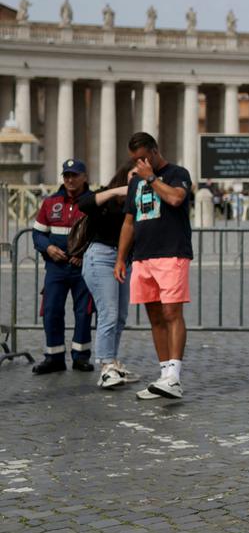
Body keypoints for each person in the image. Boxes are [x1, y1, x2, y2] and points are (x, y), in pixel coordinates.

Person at [114, 133, 194, 400]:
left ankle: (175, 376)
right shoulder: (135, 181)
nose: (138, 164)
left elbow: (176, 199)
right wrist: (121, 258)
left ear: (155, 151)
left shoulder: (177, 173)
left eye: (142, 158)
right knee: (155, 318)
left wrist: (151, 178)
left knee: (172, 313)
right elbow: (129, 221)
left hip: (171, 253)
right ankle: (164, 375)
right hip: (143, 256)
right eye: (134, 160)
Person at [78, 157, 137, 388]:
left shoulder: (140, 198)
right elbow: (84, 204)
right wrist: (117, 191)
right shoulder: (108, 195)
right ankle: (105, 366)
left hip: (124, 260)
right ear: (124, 175)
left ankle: (112, 361)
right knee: (108, 313)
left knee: (120, 316)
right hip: (101, 257)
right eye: (134, 175)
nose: (138, 180)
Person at [31, 159, 94, 374]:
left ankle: (81, 357)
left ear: (84, 177)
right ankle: (54, 357)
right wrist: (48, 248)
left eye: (74, 175)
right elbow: (38, 233)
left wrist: (84, 254)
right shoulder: (50, 202)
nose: (70, 179)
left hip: (83, 269)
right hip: (56, 268)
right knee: (51, 311)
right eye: (66, 175)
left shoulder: (93, 202)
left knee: (83, 313)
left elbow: (101, 235)